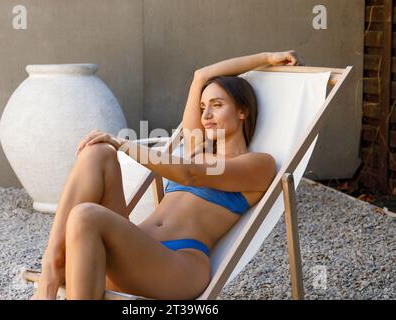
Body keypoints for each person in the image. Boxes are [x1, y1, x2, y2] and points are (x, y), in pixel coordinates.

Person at [31, 50, 305, 300]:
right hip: (135, 250)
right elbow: (201, 75)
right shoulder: (196, 147)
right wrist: (268, 57)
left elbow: (190, 175)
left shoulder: (258, 164)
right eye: (202, 107)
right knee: (98, 151)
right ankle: (52, 266)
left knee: (85, 214)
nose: (206, 114)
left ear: (243, 111)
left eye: (217, 105)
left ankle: (53, 278)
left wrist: (123, 144)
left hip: (178, 267)